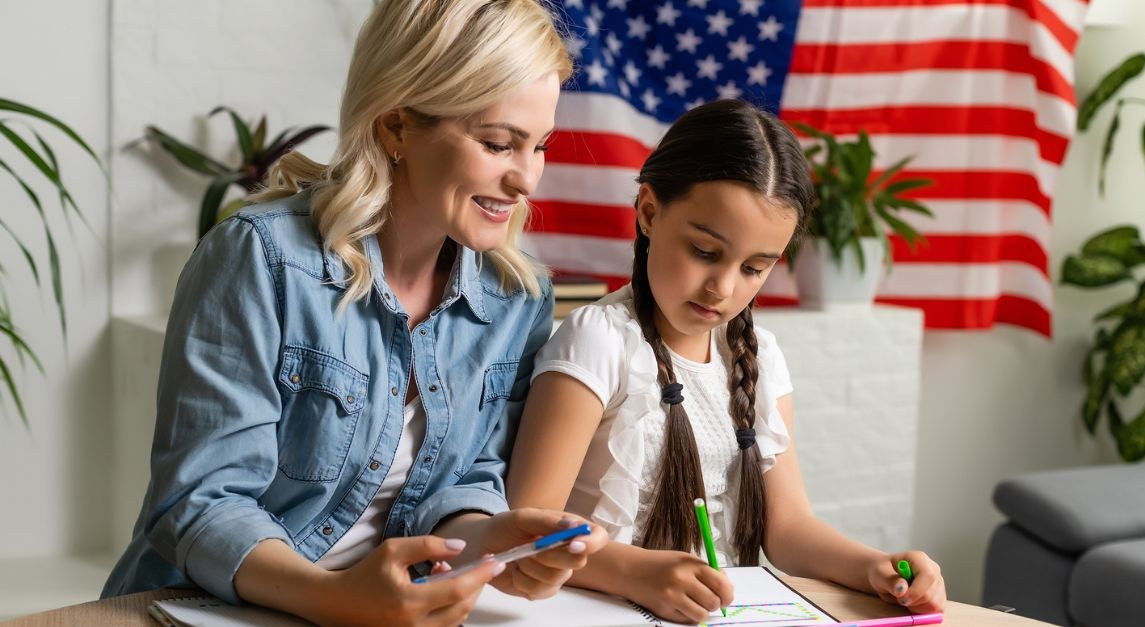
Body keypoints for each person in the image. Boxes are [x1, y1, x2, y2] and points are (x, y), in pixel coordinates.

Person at [102, 1, 606, 625]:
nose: (527, 179)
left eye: (541, 146)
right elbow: (203, 504)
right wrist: (338, 600)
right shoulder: (259, 257)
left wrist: (489, 539)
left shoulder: (517, 298)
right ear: (396, 128)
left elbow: (464, 479)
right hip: (200, 609)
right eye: (498, 144)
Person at [506, 99, 947, 625]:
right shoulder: (597, 342)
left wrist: (871, 565)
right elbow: (526, 531)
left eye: (755, 268)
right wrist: (634, 571)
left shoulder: (760, 357)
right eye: (705, 252)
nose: (723, 287)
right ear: (649, 212)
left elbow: (787, 530)